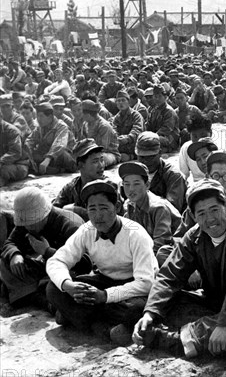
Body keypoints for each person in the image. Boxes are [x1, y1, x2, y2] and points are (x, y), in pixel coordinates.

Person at [132, 179, 226, 359]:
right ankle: (194, 334)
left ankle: (174, 340)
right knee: (163, 304)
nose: (209, 219)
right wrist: (150, 313)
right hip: (215, 303)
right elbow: (169, 276)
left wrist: (224, 323)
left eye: (215, 210)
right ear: (193, 216)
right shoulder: (193, 237)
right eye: (201, 213)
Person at [46, 179, 158, 345]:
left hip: (133, 287)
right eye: (92, 209)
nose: (98, 216)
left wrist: (105, 296)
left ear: (118, 207)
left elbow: (146, 283)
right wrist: (69, 286)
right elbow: (57, 260)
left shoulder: (136, 234)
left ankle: (81, 319)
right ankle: (102, 326)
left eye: (104, 208)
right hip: (104, 282)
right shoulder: (87, 229)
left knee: (136, 309)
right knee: (53, 288)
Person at [0, 187, 87, 309]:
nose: (28, 227)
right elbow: (10, 242)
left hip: (66, 269)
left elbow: (84, 264)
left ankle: (37, 299)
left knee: (62, 281)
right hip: (44, 266)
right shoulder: (28, 220)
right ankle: (32, 294)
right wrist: (15, 255)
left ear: (44, 215)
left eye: (32, 223)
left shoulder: (70, 225)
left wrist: (47, 251)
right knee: (5, 262)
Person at [52, 139, 109, 221]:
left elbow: (110, 217)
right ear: (80, 165)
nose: (101, 165)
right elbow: (53, 211)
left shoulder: (107, 186)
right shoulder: (72, 187)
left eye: (102, 160)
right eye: (95, 161)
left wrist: (78, 211)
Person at [135, 132, 187, 213]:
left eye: (151, 157)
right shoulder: (132, 174)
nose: (145, 161)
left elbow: (172, 210)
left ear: (160, 153)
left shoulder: (173, 175)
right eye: (142, 157)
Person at [25, 102, 77, 175]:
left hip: (64, 157)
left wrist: (47, 159)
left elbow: (59, 144)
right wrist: (27, 150)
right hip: (47, 155)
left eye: (41, 116)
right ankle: (48, 169)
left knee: (62, 154)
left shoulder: (61, 126)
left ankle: (56, 169)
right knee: (33, 154)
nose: (38, 119)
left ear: (50, 116)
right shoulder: (40, 127)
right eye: (37, 116)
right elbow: (30, 140)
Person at [81, 99, 120, 167]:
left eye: (83, 114)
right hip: (90, 152)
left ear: (88, 115)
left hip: (109, 153)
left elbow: (103, 148)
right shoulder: (85, 124)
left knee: (99, 159)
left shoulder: (103, 126)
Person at [111, 90, 144, 162]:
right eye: (118, 101)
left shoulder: (136, 115)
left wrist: (127, 138)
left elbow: (137, 129)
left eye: (123, 100)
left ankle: (132, 156)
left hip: (133, 143)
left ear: (128, 102)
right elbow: (114, 130)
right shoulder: (116, 118)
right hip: (121, 143)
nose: (120, 103)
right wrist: (117, 138)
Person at [146, 85, 179, 153]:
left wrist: (152, 137)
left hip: (170, 139)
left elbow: (166, 129)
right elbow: (149, 125)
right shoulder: (153, 111)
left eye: (159, 96)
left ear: (165, 97)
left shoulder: (169, 111)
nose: (157, 99)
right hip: (157, 136)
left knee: (154, 141)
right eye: (155, 96)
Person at [0, 119, 29, 186]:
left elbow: (16, 152)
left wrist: (1, 161)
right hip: (3, 164)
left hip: (19, 165)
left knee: (4, 170)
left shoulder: (12, 131)